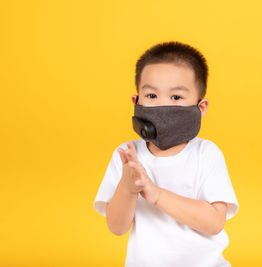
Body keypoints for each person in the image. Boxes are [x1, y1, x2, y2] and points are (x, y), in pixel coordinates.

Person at [93, 41, 239, 267]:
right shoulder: (127, 156)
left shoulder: (206, 153)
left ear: (201, 108)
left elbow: (214, 222)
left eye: (176, 98)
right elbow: (117, 227)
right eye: (151, 96)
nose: (162, 105)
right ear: (136, 101)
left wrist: (156, 194)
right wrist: (128, 188)